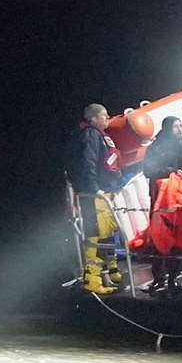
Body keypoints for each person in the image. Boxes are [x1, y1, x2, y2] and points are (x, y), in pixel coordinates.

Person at [69, 103, 125, 294]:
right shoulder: (91, 135)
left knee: (108, 230)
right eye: (104, 116)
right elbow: (88, 162)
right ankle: (92, 278)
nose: (107, 118)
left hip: (106, 191)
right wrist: (94, 188)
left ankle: (111, 270)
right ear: (93, 118)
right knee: (95, 232)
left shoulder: (103, 136)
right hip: (95, 194)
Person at [141, 116, 182, 295]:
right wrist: (171, 172)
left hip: (178, 198)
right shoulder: (156, 147)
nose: (179, 129)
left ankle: (173, 277)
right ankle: (158, 277)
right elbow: (149, 170)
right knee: (158, 236)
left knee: (177, 237)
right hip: (160, 198)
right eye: (176, 126)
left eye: (181, 125)